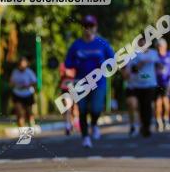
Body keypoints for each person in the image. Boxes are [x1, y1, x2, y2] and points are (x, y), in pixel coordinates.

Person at [64, 15, 114, 148]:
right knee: (83, 109)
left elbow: (113, 60)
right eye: (86, 26)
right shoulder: (76, 45)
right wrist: (77, 62)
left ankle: (95, 124)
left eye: (91, 26)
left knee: (96, 108)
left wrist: (104, 65)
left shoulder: (102, 43)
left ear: (96, 27)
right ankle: (85, 137)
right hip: (81, 82)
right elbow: (67, 63)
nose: (88, 28)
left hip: (99, 82)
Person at [123, 36, 161, 137]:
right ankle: (139, 125)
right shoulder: (133, 55)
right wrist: (139, 64)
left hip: (150, 84)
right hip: (136, 85)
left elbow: (159, 65)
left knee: (147, 105)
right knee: (138, 106)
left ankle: (146, 127)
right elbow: (130, 70)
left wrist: (161, 67)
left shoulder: (153, 53)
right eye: (141, 43)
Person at [9, 56, 37, 128]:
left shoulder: (29, 72)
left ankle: (31, 124)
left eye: (24, 64)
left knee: (29, 112)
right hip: (17, 94)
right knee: (19, 113)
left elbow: (34, 82)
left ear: (26, 64)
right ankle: (21, 128)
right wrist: (16, 85)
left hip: (28, 94)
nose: (22, 65)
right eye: (21, 64)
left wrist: (27, 85)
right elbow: (11, 83)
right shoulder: (15, 72)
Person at [58, 62, 79, 135]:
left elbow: (77, 74)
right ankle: (67, 126)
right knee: (67, 108)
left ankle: (74, 124)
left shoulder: (77, 63)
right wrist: (69, 74)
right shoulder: (63, 64)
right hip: (65, 88)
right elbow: (61, 74)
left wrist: (68, 73)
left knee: (75, 108)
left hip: (75, 88)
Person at [155, 38, 170, 132]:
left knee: (165, 101)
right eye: (158, 46)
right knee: (157, 103)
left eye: (161, 46)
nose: (160, 48)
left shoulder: (169, 55)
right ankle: (158, 121)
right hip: (156, 82)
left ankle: (166, 119)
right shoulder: (155, 56)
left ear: (165, 46)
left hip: (167, 82)